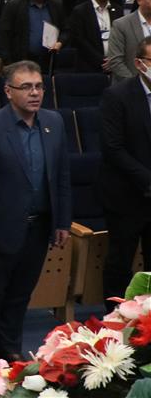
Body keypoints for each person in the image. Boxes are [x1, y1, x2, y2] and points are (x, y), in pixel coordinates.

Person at [0, 60, 71, 366]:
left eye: (39, 86)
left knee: (21, 293)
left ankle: (10, 346)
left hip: (39, 226)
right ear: (8, 91)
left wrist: (62, 221)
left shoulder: (54, 122)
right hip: (1, 226)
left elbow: (62, 176)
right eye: (26, 87)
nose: (35, 93)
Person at [98, 35, 151, 309]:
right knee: (120, 264)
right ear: (140, 64)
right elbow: (113, 148)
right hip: (127, 196)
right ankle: (116, 320)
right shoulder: (117, 96)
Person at [0, 0, 65, 71]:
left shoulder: (55, 6)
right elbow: (4, 37)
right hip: (21, 62)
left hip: (49, 61)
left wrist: (60, 42)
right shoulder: (13, 6)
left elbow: (66, 30)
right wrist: (8, 63)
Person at [65, 0, 121, 74]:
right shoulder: (80, 11)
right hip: (89, 67)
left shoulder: (117, 10)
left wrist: (113, 60)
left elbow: (122, 38)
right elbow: (79, 41)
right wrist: (102, 61)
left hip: (114, 66)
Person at [109, 0, 151, 80]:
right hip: (132, 84)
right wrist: (137, 84)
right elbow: (116, 61)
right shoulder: (121, 25)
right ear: (139, 0)